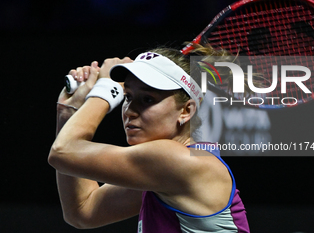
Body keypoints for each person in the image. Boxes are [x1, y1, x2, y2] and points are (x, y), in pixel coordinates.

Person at [48, 45, 250, 232]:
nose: (129, 111)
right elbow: (83, 211)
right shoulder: (164, 174)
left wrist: (106, 88)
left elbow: (62, 152)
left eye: (147, 99)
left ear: (186, 111)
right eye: (127, 97)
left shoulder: (177, 161)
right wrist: (67, 113)